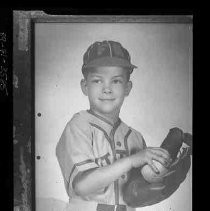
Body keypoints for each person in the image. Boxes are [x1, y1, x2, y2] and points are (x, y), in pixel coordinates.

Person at [56, 40, 172, 211]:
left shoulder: (135, 137)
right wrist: (132, 160)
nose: (107, 89)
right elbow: (82, 186)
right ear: (84, 86)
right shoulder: (79, 125)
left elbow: (140, 191)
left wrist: (161, 176)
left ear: (127, 88)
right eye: (97, 81)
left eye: (116, 81)